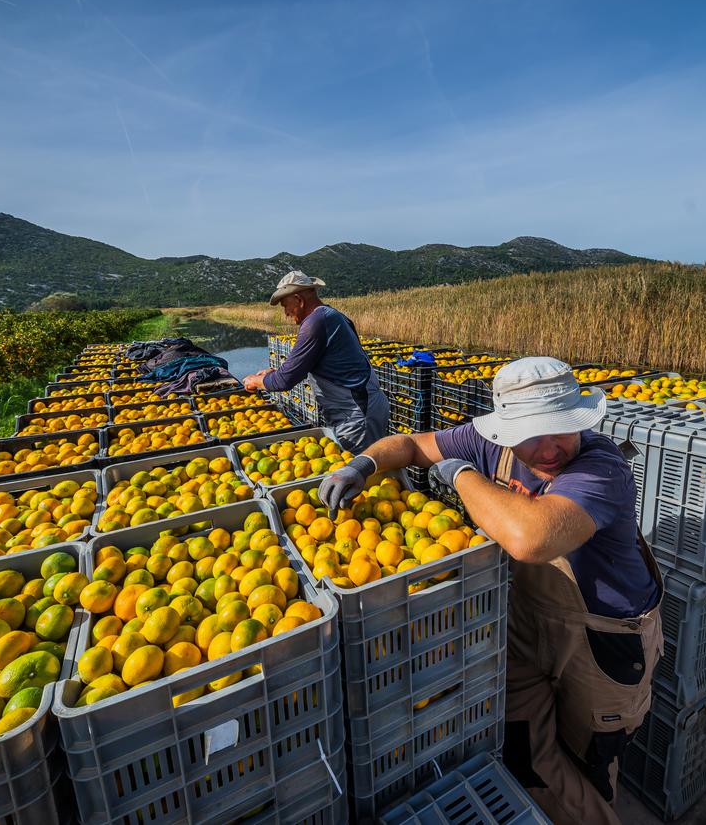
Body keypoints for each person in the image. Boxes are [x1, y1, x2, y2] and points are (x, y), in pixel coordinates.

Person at [317, 357, 663, 825]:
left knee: (590, 763)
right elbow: (411, 444)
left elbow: (530, 539)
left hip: (602, 640)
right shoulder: (489, 442)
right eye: (532, 434)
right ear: (505, 430)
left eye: (563, 429)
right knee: (526, 751)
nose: (550, 448)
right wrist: (364, 464)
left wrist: (462, 474)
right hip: (525, 626)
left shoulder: (600, 468)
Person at [242, 270, 390, 451]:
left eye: (285, 306)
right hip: (358, 409)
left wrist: (255, 381)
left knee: (358, 466)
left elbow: (284, 381)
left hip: (357, 413)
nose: (286, 313)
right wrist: (273, 373)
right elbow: (312, 365)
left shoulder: (316, 322)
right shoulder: (330, 315)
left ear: (299, 300)